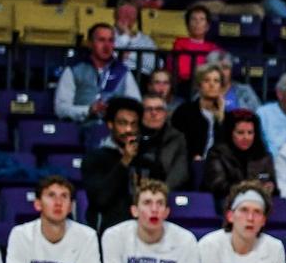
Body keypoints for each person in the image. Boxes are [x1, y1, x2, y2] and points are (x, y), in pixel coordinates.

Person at [81, 98, 165, 235]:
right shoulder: (95, 158)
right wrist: (125, 161)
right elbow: (99, 199)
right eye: (122, 123)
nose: (128, 129)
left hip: (144, 233)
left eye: (133, 124)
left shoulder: (148, 161)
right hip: (108, 232)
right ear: (110, 125)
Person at [55, 24, 142, 138]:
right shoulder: (74, 70)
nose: (107, 46)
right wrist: (89, 110)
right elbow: (61, 109)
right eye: (101, 40)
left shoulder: (123, 72)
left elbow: (136, 105)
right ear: (90, 43)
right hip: (80, 131)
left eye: (110, 40)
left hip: (116, 133)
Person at [203, 110, 277, 200]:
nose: (246, 137)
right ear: (230, 133)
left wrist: (270, 186)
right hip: (226, 201)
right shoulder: (217, 154)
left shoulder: (264, 156)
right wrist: (251, 188)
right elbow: (218, 185)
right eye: (240, 132)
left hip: (259, 202)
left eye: (250, 132)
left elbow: (271, 182)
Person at [171, 64, 229, 159]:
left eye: (216, 81)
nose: (212, 84)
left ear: (221, 87)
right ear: (199, 85)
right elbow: (176, 144)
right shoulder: (184, 111)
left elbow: (226, 148)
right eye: (206, 80)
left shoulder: (226, 115)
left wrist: (221, 117)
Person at [137, 95, 190, 192]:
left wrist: (161, 192)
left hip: (166, 192)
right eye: (148, 109)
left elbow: (180, 172)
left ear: (165, 114)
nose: (154, 113)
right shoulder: (132, 137)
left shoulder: (177, 138)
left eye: (159, 109)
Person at [169, 5, 213, 83]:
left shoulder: (213, 48)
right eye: (193, 19)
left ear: (207, 26)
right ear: (187, 25)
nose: (197, 22)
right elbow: (180, 71)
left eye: (202, 19)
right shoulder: (179, 43)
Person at [111, 0, 157, 73]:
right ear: (116, 15)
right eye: (124, 12)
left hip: (141, 76)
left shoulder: (146, 40)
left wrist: (131, 55)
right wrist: (126, 35)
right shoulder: (107, 35)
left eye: (132, 13)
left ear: (136, 18)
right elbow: (107, 58)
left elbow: (157, 64)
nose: (127, 16)